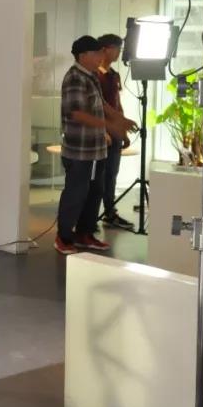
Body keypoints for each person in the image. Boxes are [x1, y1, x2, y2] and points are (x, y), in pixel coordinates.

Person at [56, 36, 136, 255]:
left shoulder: (91, 75)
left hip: (97, 149)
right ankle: (63, 236)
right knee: (76, 193)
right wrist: (109, 126)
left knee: (95, 191)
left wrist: (121, 120)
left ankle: (85, 234)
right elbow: (76, 113)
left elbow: (102, 104)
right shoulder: (74, 77)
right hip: (79, 150)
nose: (101, 57)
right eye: (96, 53)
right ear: (83, 56)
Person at [97, 33, 136, 230]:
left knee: (111, 174)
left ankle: (110, 212)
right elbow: (96, 107)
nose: (119, 53)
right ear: (105, 49)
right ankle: (89, 218)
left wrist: (123, 131)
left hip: (114, 134)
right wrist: (103, 131)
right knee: (98, 176)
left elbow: (117, 105)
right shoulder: (94, 76)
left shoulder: (114, 75)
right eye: (116, 48)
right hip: (100, 132)